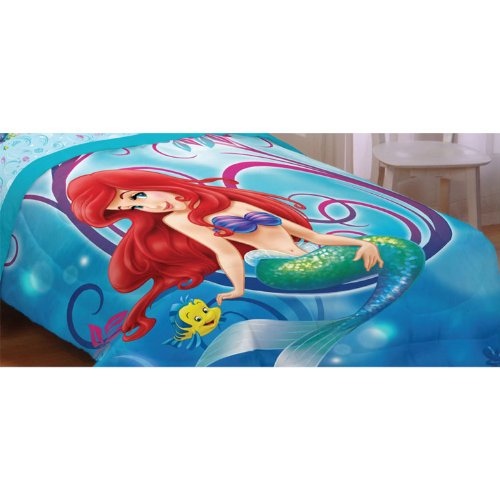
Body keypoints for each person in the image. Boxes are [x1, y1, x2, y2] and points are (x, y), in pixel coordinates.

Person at [68, 169, 383, 341]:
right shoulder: (177, 220)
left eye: (137, 195)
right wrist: (238, 289)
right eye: (134, 206)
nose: (147, 206)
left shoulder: (230, 203)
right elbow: (225, 251)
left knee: (366, 264)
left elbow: (315, 237)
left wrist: (363, 245)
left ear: (145, 183)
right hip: (277, 267)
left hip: (308, 254)